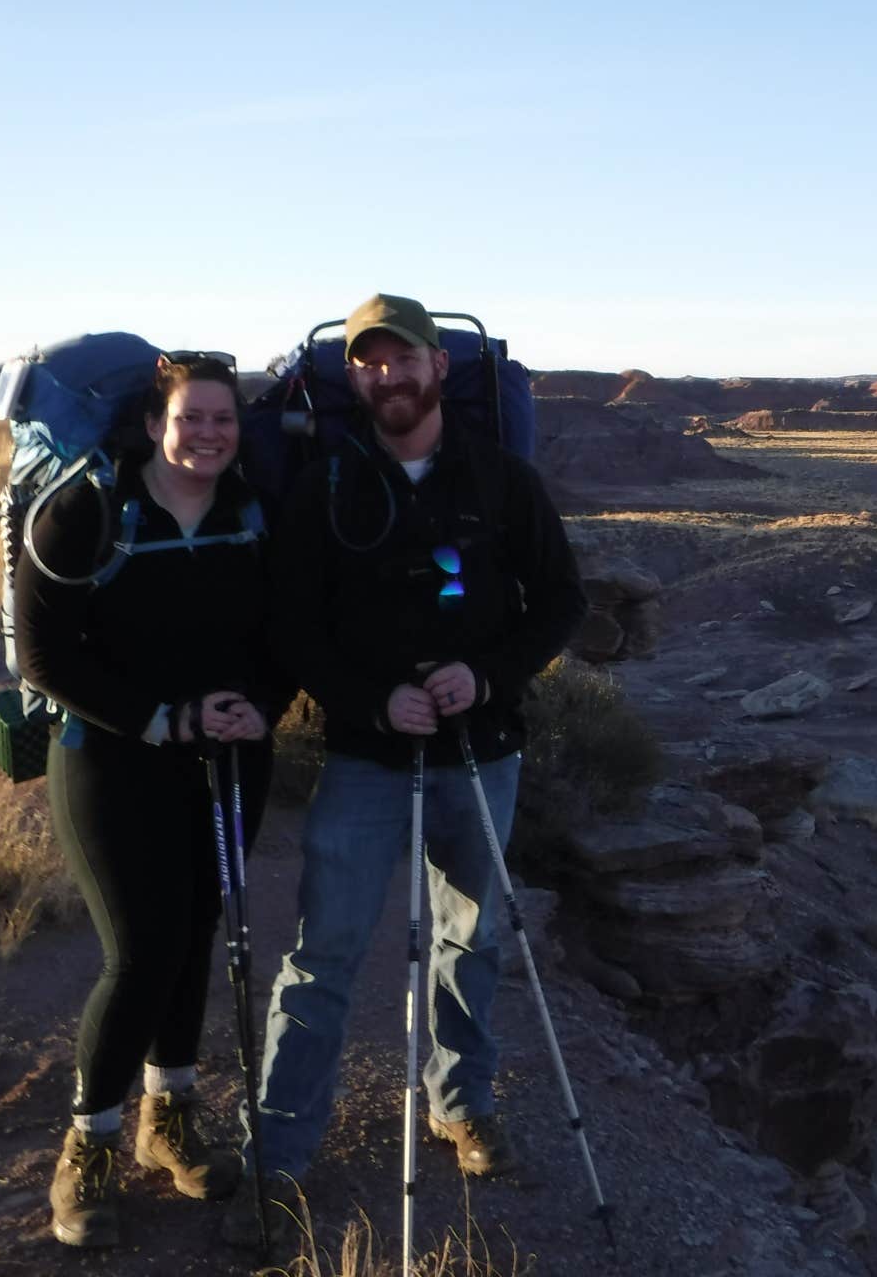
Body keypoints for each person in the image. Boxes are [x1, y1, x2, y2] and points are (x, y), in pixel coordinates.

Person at [224, 294, 584, 1245]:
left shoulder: (501, 481)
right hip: (367, 756)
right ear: (353, 378)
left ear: (441, 368)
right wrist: (370, 699)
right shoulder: (323, 488)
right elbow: (292, 624)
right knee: (325, 952)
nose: (388, 376)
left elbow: (558, 602)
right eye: (369, 364)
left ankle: (460, 1105)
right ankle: (283, 1147)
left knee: (474, 940)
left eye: (403, 360)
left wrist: (489, 672)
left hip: (483, 749)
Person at [15, 351, 288, 1249]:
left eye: (223, 420)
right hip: (112, 761)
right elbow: (45, 660)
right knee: (139, 951)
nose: (208, 434)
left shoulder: (253, 513)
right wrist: (164, 720)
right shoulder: (87, 511)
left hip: (229, 758)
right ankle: (86, 1144)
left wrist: (264, 703)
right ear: (154, 424)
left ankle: (168, 1115)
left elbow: (286, 629)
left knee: (197, 931)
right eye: (191, 417)